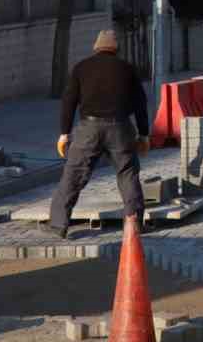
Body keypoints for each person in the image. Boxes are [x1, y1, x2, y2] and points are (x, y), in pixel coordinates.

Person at [47, 28, 151, 239]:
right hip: (120, 128)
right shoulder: (127, 69)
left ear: (96, 47)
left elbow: (69, 101)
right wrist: (144, 134)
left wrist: (64, 133)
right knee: (127, 173)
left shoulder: (81, 68)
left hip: (89, 129)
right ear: (116, 49)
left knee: (73, 175)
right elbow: (141, 104)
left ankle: (58, 225)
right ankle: (134, 223)